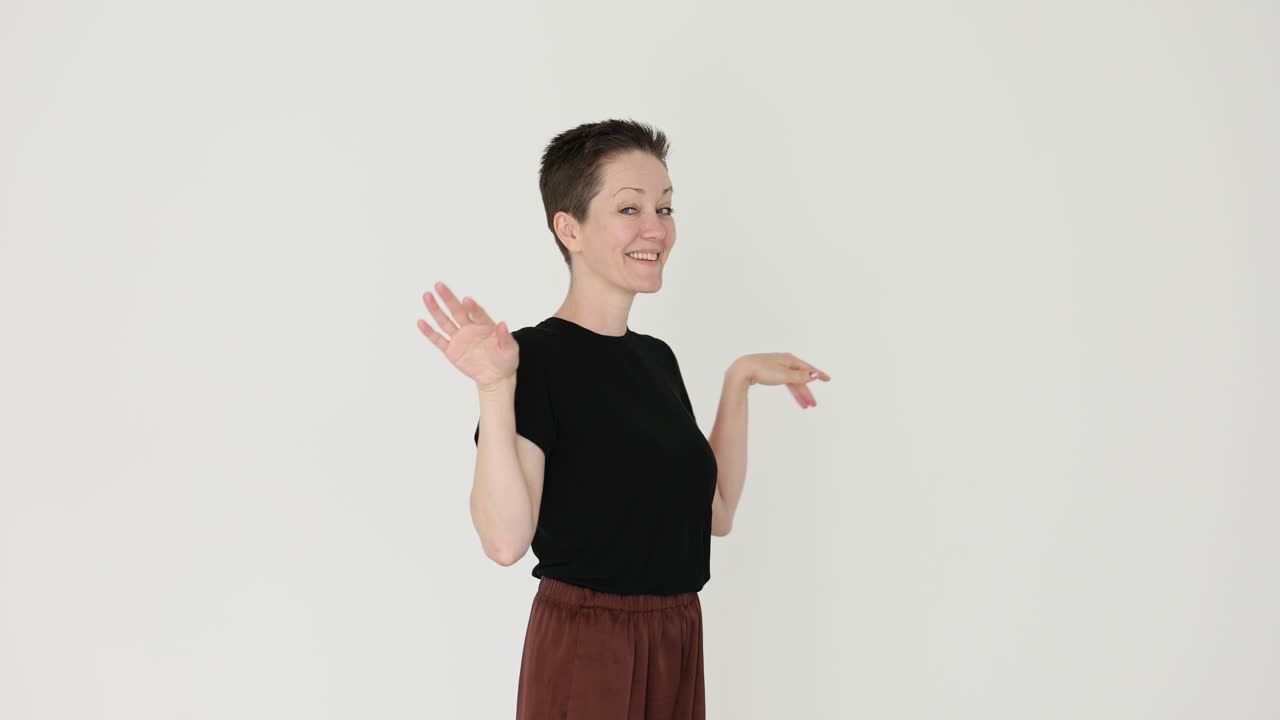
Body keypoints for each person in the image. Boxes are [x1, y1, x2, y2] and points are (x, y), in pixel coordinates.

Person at [416, 119, 830, 719]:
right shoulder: (534, 361)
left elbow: (714, 513)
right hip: (590, 643)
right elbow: (504, 542)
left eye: (664, 207)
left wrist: (737, 381)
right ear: (570, 228)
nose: (655, 228)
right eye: (629, 208)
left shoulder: (655, 360)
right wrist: (495, 386)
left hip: (677, 636)